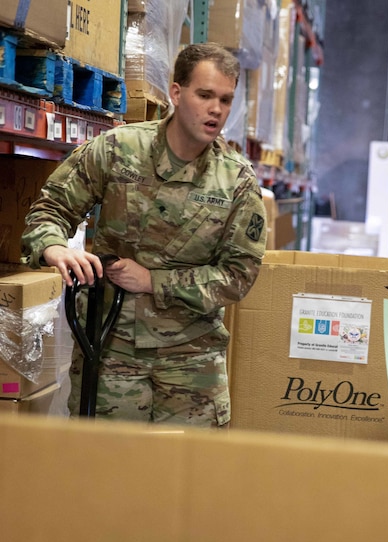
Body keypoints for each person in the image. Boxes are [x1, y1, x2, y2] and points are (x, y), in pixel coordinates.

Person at [21, 42, 267, 427]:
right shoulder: (118, 150)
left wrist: (154, 281)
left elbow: (239, 275)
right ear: (176, 92)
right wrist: (53, 247)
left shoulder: (236, 180)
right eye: (205, 95)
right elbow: (51, 208)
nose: (216, 109)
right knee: (107, 475)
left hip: (193, 361)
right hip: (110, 349)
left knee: (186, 482)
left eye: (225, 99)